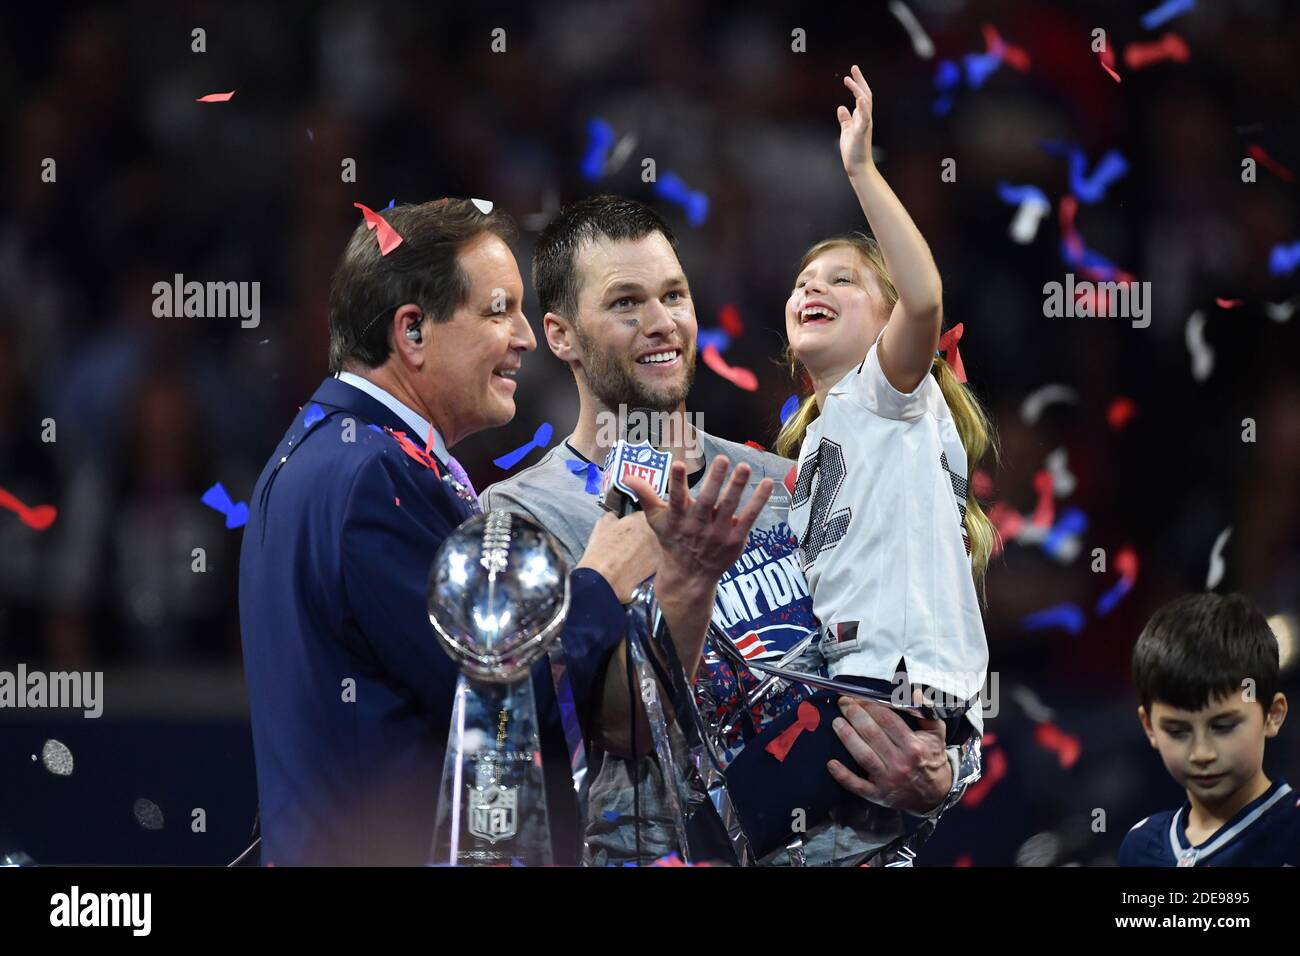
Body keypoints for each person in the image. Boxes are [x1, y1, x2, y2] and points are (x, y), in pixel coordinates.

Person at [238, 198, 765, 865]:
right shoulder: (372, 476)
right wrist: (600, 578)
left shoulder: (319, 451)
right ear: (412, 332)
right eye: (498, 311)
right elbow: (500, 712)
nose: (524, 336)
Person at [482, 192, 969, 866]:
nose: (661, 323)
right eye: (626, 303)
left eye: (674, 296)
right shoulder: (524, 518)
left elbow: (914, 667)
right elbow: (613, 731)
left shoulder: (783, 479)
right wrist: (688, 577)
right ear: (561, 334)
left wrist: (941, 773)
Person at [772, 66, 995, 782]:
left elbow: (925, 297)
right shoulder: (818, 438)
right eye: (805, 280)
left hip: (891, 684)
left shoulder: (885, 392)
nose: (814, 286)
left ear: (886, 320)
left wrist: (862, 170)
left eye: (843, 279)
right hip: (857, 686)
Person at [1119, 592, 1295, 866]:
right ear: (1149, 726)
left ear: (1272, 715)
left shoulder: (1292, 832)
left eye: (1223, 727)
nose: (1201, 753)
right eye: (1177, 731)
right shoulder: (1140, 847)